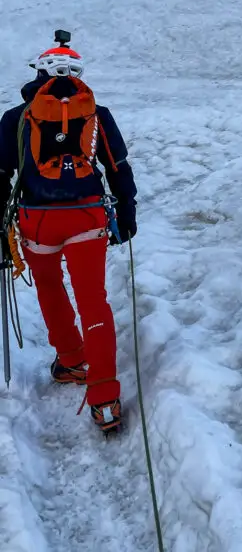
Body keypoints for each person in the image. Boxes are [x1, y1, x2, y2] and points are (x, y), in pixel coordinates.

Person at [0, 39, 137, 434]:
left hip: (37, 222)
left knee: (50, 288)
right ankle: (105, 399)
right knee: (93, 300)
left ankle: (72, 360)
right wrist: (126, 211)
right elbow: (118, 166)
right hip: (87, 218)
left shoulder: (16, 117)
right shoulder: (96, 112)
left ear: (38, 72)